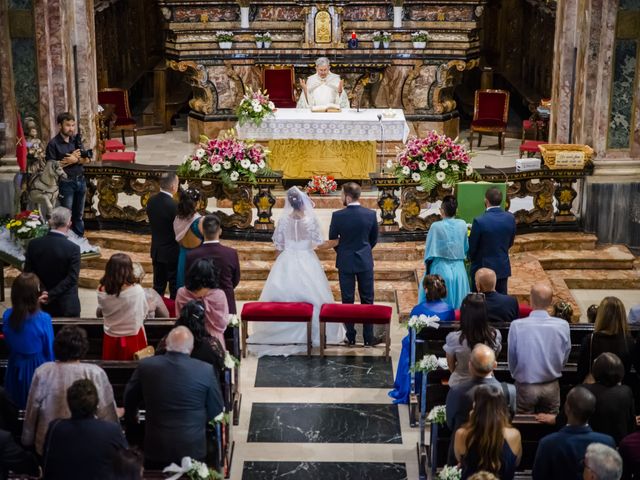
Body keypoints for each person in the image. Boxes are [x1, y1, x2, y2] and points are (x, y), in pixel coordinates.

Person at [249, 187, 344, 355]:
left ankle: (279, 332)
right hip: (307, 260)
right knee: (313, 295)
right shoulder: (310, 221)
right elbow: (320, 244)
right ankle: (313, 333)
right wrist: (337, 241)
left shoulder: (283, 221)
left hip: (286, 260)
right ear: (303, 202)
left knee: (282, 296)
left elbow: (278, 248)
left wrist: (279, 264)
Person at [123, 326, 224, 469]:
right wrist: (195, 419)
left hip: (156, 446)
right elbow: (216, 408)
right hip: (193, 448)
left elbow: (129, 398)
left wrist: (133, 419)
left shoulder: (146, 366)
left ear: (166, 345)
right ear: (191, 348)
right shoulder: (205, 370)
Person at [22, 326, 118, 455]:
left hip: (49, 444)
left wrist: (27, 440)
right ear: (83, 348)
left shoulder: (43, 371)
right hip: (87, 444)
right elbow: (106, 412)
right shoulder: (94, 372)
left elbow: (32, 409)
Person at [536, 353, 636, 444]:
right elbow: (630, 423)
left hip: (587, 445)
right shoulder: (626, 392)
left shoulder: (583, 390)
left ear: (595, 371)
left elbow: (566, 418)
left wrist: (556, 419)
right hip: (616, 445)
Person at [42, 379, 128, 480]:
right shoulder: (112, 430)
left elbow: (47, 466)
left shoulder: (55, 428)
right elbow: (128, 465)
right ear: (96, 403)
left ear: (69, 403)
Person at [389, 274, 455, 404]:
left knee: (408, 342)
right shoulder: (449, 310)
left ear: (426, 290)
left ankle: (409, 384)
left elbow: (412, 330)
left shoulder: (417, 309)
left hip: (421, 351)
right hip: (441, 350)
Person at [508, 282, 571, 414]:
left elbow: (512, 358)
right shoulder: (563, 325)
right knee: (549, 427)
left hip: (525, 386)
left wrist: (517, 376)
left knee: (523, 427)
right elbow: (565, 355)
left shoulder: (517, 325)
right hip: (551, 385)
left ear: (531, 300)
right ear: (551, 301)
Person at [328, 182, 378, 346]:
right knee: (367, 299)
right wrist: (363, 251)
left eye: (341, 195)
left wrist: (343, 252)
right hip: (365, 260)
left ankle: (350, 336)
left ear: (348, 197)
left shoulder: (337, 215)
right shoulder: (370, 214)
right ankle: (368, 338)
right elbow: (373, 239)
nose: (341, 197)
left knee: (347, 300)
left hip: (345, 261)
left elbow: (333, 240)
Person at [532, 386, 615, 480]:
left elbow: (538, 476)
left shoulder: (547, 443)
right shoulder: (607, 442)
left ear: (567, 409)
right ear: (593, 411)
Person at [2, 273, 54, 408]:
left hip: (15, 364)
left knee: (16, 403)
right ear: (34, 295)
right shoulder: (44, 318)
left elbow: (9, 341)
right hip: (37, 367)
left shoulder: (7, 315)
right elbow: (49, 349)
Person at [454, 384, 522, 479]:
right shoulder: (514, 434)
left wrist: (471, 421)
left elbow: (459, 458)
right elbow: (516, 462)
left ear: (476, 407)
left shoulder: (461, 434)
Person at [24, 206, 81, 317]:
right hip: (66, 306)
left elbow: (29, 273)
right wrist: (51, 294)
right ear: (69, 224)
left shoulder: (33, 244)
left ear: (50, 222)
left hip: (40, 303)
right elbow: (72, 278)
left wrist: (44, 292)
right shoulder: (73, 248)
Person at [418, 195, 470, 309]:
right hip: (459, 269)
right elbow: (466, 248)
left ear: (441, 211)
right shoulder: (462, 224)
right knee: (460, 306)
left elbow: (429, 253)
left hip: (441, 269)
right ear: (456, 210)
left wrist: (427, 271)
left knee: (439, 306)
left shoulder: (435, 226)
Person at [45, 112, 91, 237]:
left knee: (79, 215)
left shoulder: (76, 140)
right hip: (66, 183)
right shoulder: (53, 144)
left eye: (72, 125)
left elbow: (87, 160)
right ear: (60, 125)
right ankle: (66, 240)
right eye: (68, 125)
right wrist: (69, 161)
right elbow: (50, 168)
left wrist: (76, 160)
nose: (71, 128)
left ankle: (79, 239)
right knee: (67, 215)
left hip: (80, 180)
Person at [186, 214, 241, 314]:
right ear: (220, 231)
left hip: (200, 307)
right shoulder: (231, 253)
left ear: (202, 231)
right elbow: (235, 279)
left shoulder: (191, 255)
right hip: (226, 304)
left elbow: (189, 281)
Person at [97, 253, 148, 360]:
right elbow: (143, 312)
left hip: (111, 337)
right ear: (129, 270)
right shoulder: (137, 290)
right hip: (133, 337)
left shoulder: (101, 290)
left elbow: (101, 311)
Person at [444, 293, 502, 387]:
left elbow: (450, 365)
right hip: (487, 385)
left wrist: (460, 373)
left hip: (460, 384)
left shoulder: (454, 338)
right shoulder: (495, 335)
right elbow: (493, 357)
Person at [577, 297, 636, 384]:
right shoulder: (629, 341)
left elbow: (581, 371)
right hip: (619, 392)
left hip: (593, 392)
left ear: (601, 315)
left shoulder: (590, 340)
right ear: (622, 316)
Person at [468, 187, 516, 294]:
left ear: (486, 200)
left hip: (482, 271)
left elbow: (472, 248)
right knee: (501, 300)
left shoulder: (479, 221)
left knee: (480, 303)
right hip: (502, 267)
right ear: (501, 200)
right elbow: (510, 242)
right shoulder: (510, 218)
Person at [157, 300, 225, 374]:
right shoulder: (212, 345)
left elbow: (158, 359)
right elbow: (221, 368)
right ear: (203, 321)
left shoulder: (169, 341)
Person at [175, 259, 229, 348]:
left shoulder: (182, 293)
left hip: (186, 339)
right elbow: (222, 323)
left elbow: (179, 317)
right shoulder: (219, 295)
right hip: (213, 341)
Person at [146, 172, 180, 299]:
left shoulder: (151, 201)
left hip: (157, 250)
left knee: (158, 287)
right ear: (173, 187)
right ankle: (172, 315)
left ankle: (156, 315)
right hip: (172, 253)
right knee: (174, 288)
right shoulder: (174, 205)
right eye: (177, 184)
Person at [174, 187, 204, 289]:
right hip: (197, 260)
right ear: (198, 203)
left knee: (182, 288)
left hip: (182, 256)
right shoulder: (200, 221)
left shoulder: (177, 218)